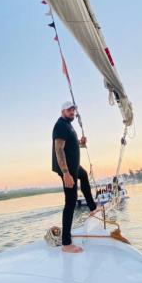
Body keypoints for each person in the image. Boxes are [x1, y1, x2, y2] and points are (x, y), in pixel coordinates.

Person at [52, 101, 98, 253]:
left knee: (84, 176)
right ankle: (66, 243)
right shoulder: (60, 125)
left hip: (74, 166)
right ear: (63, 111)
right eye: (69, 110)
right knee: (70, 203)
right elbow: (59, 149)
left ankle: (92, 208)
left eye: (73, 110)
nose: (72, 112)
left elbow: (71, 144)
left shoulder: (68, 125)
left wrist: (80, 143)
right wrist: (65, 173)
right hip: (67, 170)